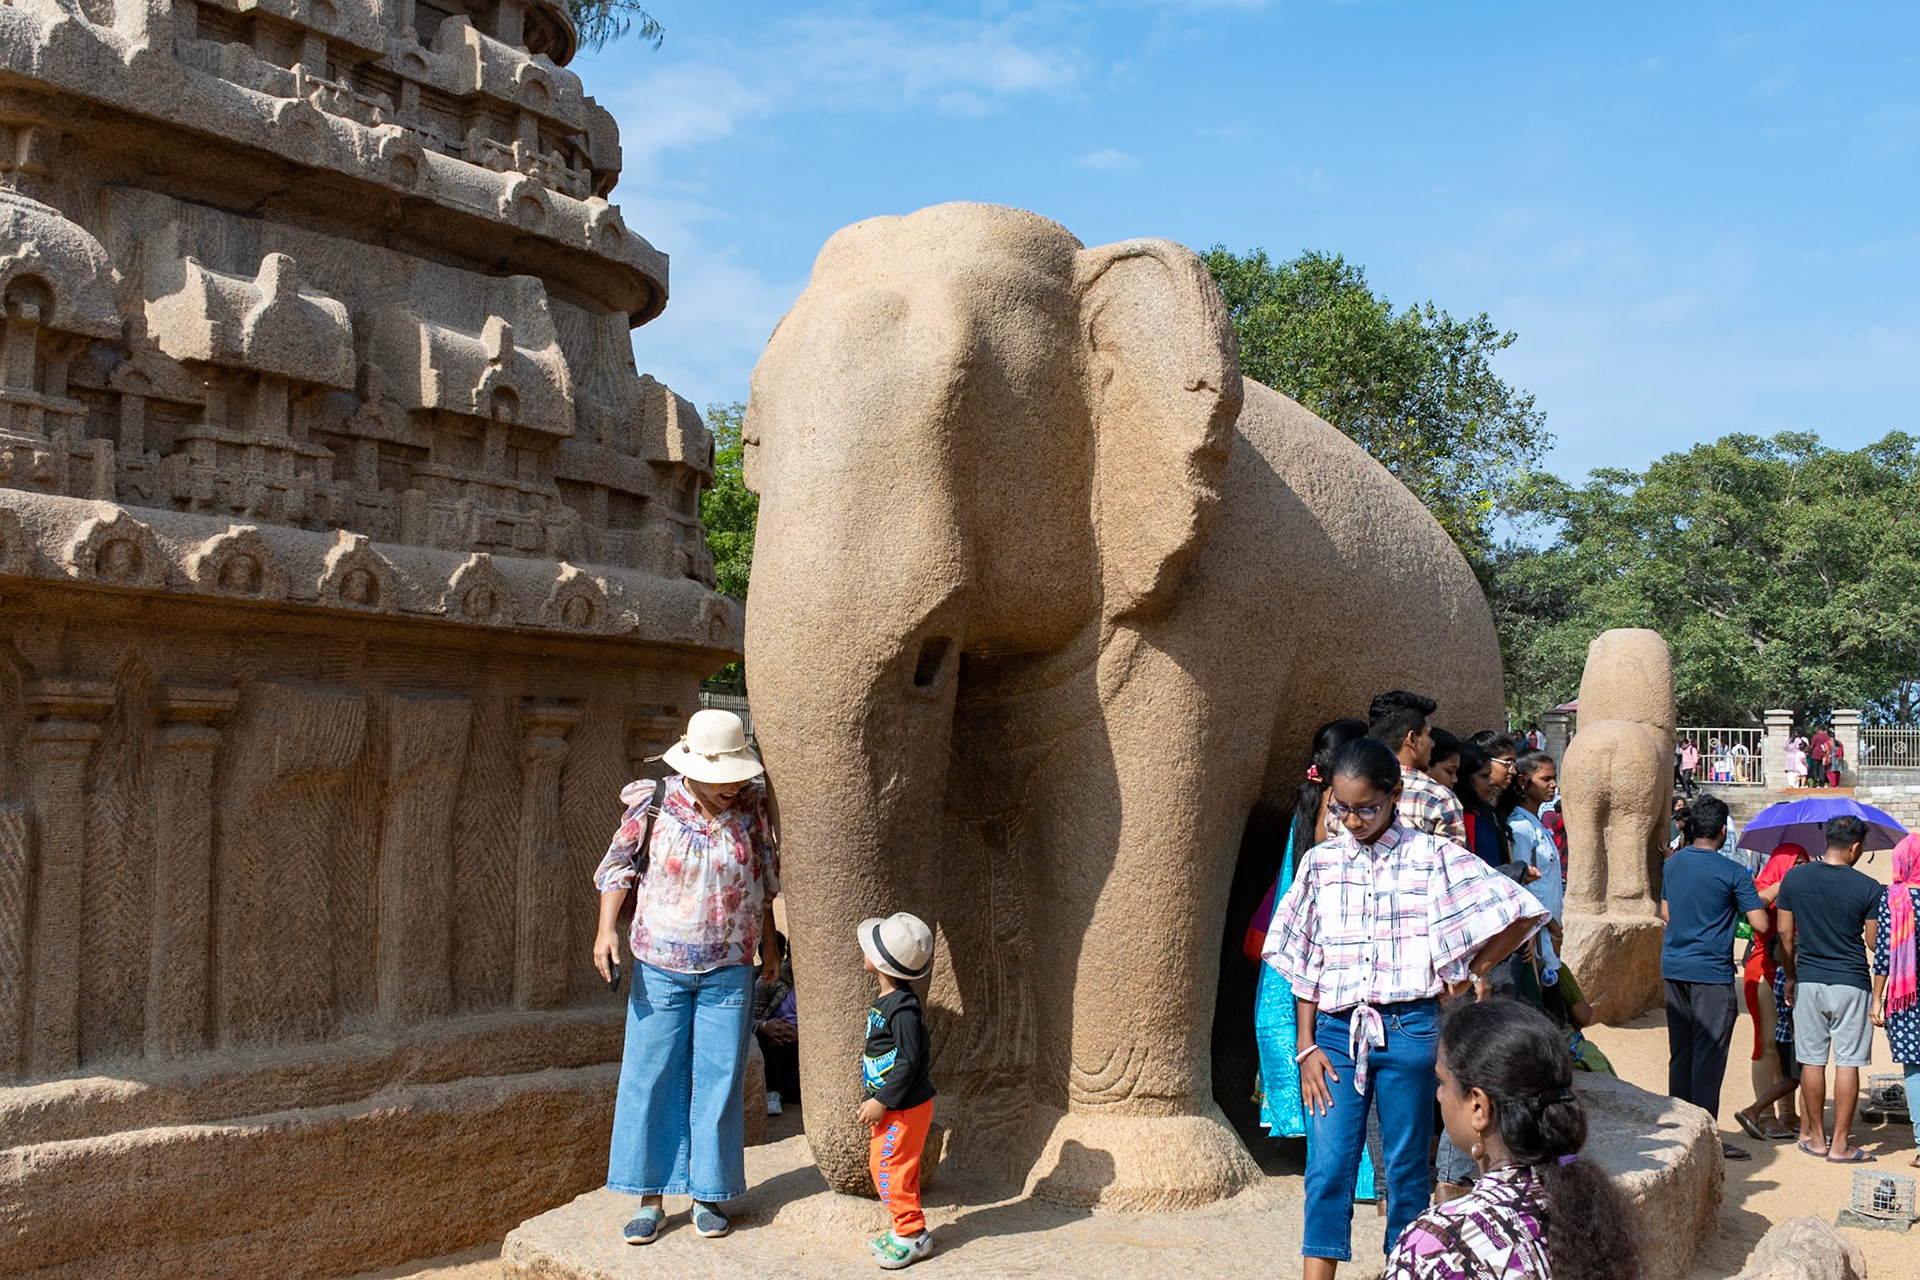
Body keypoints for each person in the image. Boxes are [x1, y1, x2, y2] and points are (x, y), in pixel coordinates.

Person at [1264, 737, 1549, 1276]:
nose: (1351, 821)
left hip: (1412, 1030)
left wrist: (1471, 972)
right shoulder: (1319, 864)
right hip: (1333, 1038)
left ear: (1395, 795)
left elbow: (1519, 909)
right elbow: (1305, 959)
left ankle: (1406, 1269)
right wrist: (1305, 1047)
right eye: (1341, 808)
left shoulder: (1431, 856)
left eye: (1366, 808)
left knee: (1405, 1171)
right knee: (1327, 1168)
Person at [591, 709, 783, 1244]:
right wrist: (606, 931)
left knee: (719, 1082)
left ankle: (708, 1194)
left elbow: (762, 878)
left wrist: (769, 946)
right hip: (660, 968)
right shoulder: (652, 804)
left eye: (738, 774)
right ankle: (649, 1197)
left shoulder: (752, 808)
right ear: (692, 766)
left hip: (729, 968)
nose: (732, 785)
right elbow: (617, 867)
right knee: (650, 1078)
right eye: (721, 776)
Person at [1382, 1001, 1642, 1280]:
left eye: (1442, 1082)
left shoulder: (1437, 1245)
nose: (1439, 1096)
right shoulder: (1599, 1222)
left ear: (1479, 1108)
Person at [1249, 719, 1378, 1199]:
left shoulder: (1310, 800)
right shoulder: (1340, 810)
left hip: (1295, 961)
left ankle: (1334, 1172)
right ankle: (1359, 1177)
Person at [1658, 794, 1770, 1161]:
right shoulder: (1733, 872)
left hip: (1675, 966)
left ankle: (1679, 1132)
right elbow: (1759, 922)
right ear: (1723, 831)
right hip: (1711, 972)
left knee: (1683, 1052)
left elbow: (1666, 913)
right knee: (1708, 1056)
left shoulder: (1672, 865)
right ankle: (1705, 1138)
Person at [1778, 815, 1886, 1163]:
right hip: (1851, 982)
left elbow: (1784, 935)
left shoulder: (1794, 877)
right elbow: (1872, 942)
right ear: (1855, 846)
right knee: (1848, 1063)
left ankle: (1816, 1139)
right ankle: (1841, 1145)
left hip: (1809, 979)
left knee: (1811, 1060)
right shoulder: (1869, 888)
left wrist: (1791, 976)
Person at [857, 912, 937, 1269]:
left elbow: (908, 1061)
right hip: (894, 1106)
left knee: (888, 1167)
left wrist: (882, 1101)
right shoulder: (887, 1001)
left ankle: (912, 1234)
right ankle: (905, 1227)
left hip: (904, 1107)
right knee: (896, 1167)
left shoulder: (904, 1009)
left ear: (882, 963)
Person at [1734, 843, 1811, 1142]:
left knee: (1788, 1046)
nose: (1804, 865)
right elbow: (1756, 904)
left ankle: (1788, 1113)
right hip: (1764, 969)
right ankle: (1764, 1115)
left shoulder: (1806, 886)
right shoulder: (1764, 884)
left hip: (1795, 970)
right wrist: (1784, 883)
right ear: (1783, 863)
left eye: (1806, 860)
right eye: (1798, 861)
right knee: (1766, 1043)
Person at [1870, 834, 1920, 1168]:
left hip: (1906, 997)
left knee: (1915, 1069)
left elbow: (1885, 956)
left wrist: (1877, 999)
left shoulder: (1894, 899)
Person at [1369, 690, 1467, 843]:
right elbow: (1455, 864)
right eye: (1428, 735)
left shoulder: (1344, 795)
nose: (1432, 743)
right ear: (1412, 739)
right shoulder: (1438, 797)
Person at [1506, 752, 1566, 988]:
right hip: (1536, 939)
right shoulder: (1520, 826)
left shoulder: (1535, 822)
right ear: (1523, 781)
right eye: (1546, 779)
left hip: (1548, 938)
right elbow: (1520, 884)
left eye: (1554, 778)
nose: (1553, 785)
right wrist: (1550, 927)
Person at [754, 932, 800, 1111]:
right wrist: (765, 1027)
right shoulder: (772, 980)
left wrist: (802, 1034)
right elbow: (747, 1020)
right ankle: (771, 1092)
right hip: (773, 1044)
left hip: (801, 1046)